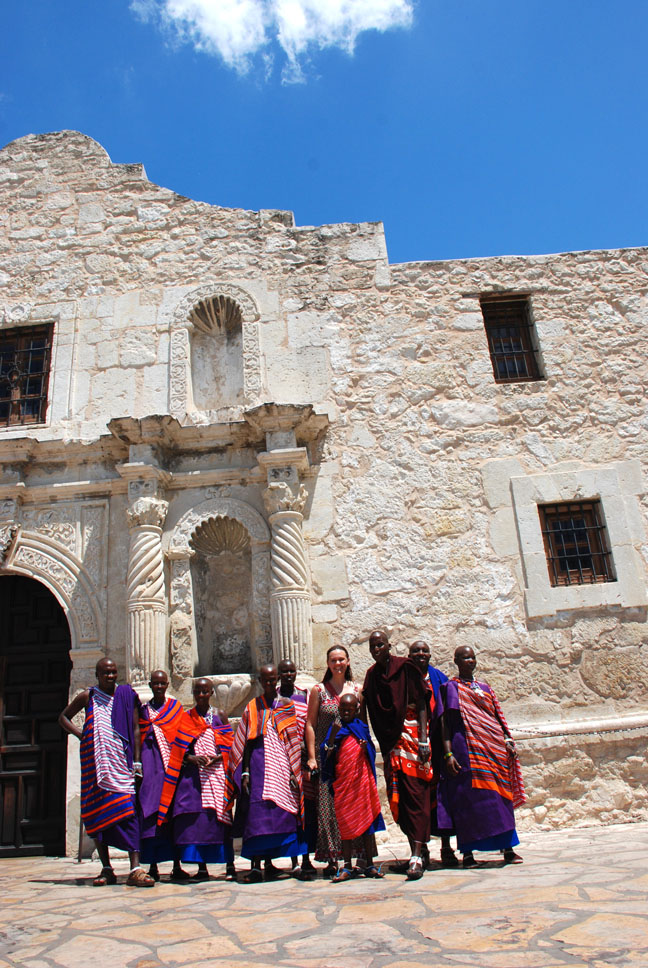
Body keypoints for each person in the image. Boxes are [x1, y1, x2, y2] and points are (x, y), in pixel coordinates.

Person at [58, 658, 154, 887]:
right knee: (98, 815)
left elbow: (135, 729)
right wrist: (82, 735)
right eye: (106, 673)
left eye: (113, 672)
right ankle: (106, 868)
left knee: (128, 812)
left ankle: (136, 868)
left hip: (121, 765)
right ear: (97, 674)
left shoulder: (126, 695)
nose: (110, 676)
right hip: (95, 765)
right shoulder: (88, 696)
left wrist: (137, 761)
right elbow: (63, 718)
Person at [437, 646, 525, 867]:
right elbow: (445, 722)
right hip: (465, 749)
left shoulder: (485, 688)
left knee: (500, 798)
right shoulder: (451, 688)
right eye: (466, 657)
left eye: (473, 657)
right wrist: (448, 753)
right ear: (456, 661)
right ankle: (468, 853)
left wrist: (507, 740)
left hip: (493, 750)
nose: (470, 661)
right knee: (469, 800)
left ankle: (508, 848)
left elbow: (497, 717)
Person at [227, 665, 307, 882]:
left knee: (287, 811)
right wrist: (244, 772)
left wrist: (294, 769)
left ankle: (294, 862)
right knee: (258, 814)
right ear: (261, 681)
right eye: (265, 680)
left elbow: (293, 738)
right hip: (259, 764)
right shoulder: (253, 707)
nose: (270, 683)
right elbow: (246, 743)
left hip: (283, 761)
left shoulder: (286, 705)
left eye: (273, 679)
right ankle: (256, 865)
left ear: (278, 679)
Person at [363, 630, 433, 880]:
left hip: (413, 738)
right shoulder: (372, 676)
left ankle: (416, 855)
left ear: (389, 645)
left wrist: (424, 739)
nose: (376, 649)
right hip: (391, 744)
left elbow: (422, 702)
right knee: (400, 797)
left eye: (380, 644)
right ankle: (418, 851)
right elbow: (368, 708)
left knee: (416, 793)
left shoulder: (406, 668)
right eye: (372, 646)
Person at [157, 678, 235, 881]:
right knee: (198, 821)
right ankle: (201, 866)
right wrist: (192, 758)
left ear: (211, 693)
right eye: (197, 692)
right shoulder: (185, 718)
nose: (201, 696)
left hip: (216, 774)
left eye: (205, 692)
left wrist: (217, 757)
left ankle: (229, 864)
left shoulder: (220, 716)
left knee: (220, 818)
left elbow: (229, 745)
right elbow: (177, 748)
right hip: (194, 776)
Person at [304, 645, 365, 877]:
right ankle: (331, 857)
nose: (337, 664)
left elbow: (361, 723)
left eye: (341, 659)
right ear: (328, 664)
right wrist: (312, 757)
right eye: (333, 660)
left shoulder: (357, 690)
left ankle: (357, 854)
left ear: (348, 661)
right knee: (327, 807)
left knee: (352, 805)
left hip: (350, 757)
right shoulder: (319, 691)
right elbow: (310, 724)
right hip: (326, 756)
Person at [321, 693, 385, 883]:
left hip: (361, 782)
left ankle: (370, 864)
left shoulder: (361, 728)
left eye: (349, 710)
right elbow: (327, 754)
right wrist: (332, 736)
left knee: (367, 824)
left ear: (356, 710)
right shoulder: (336, 729)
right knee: (346, 824)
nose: (346, 712)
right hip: (344, 784)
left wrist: (365, 749)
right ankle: (347, 865)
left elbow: (371, 752)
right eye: (342, 710)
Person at [408, 641, 459, 869]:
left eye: (424, 651)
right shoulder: (406, 679)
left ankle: (446, 846)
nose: (421, 654)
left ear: (430, 654)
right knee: (420, 798)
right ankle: (423, 848)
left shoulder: (439, 678)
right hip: (414, 746)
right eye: (416, 651)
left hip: (438, 744)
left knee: (441, 797)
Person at [138, 669, 186, 881]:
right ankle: (153, 866)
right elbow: (137, 735)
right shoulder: (143, 712)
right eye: (155, 684)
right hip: (151, 767)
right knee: (151, 814)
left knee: (173, 815)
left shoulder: (175, 708)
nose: (159, 687)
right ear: (150, 686)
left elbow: (182, 737)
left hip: (171, 768)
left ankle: (177, 864)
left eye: (162, 684)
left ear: (167, 685)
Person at [277, 658, 316, 878]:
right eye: (284, 671)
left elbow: (309, 723)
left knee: (307, 809)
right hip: (283, 760)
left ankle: (306, 858)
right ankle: (294, 859)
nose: (288, 675)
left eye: (292, 671)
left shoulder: (304, 695)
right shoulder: (274, 697)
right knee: (292, 809)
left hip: (302, 758)